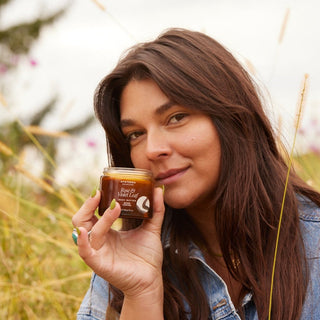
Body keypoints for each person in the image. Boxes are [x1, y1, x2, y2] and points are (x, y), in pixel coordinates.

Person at [72, 28, 320, 320]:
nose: (152, 149)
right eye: (136, 134)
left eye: (176, 118)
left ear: (232, 119)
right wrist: (141, 292)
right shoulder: (125, 260)